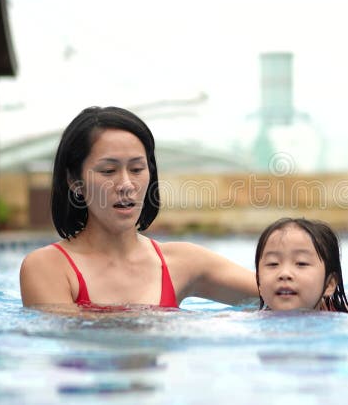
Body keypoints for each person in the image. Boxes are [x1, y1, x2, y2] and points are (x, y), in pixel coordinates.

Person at [20, 106, 258, 310]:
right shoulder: (48, 267)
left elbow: (279, 296)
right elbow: (84, 345)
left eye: (136, 169)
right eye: (108, 171)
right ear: (74, 181)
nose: (126, 185)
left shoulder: (184, 263)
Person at [254, 217, 348, 312]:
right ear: (259, 284)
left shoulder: (344, 323)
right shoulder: (251, 322)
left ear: (329, 284)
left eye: (301, 263)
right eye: (273, 263)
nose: (284, 273)